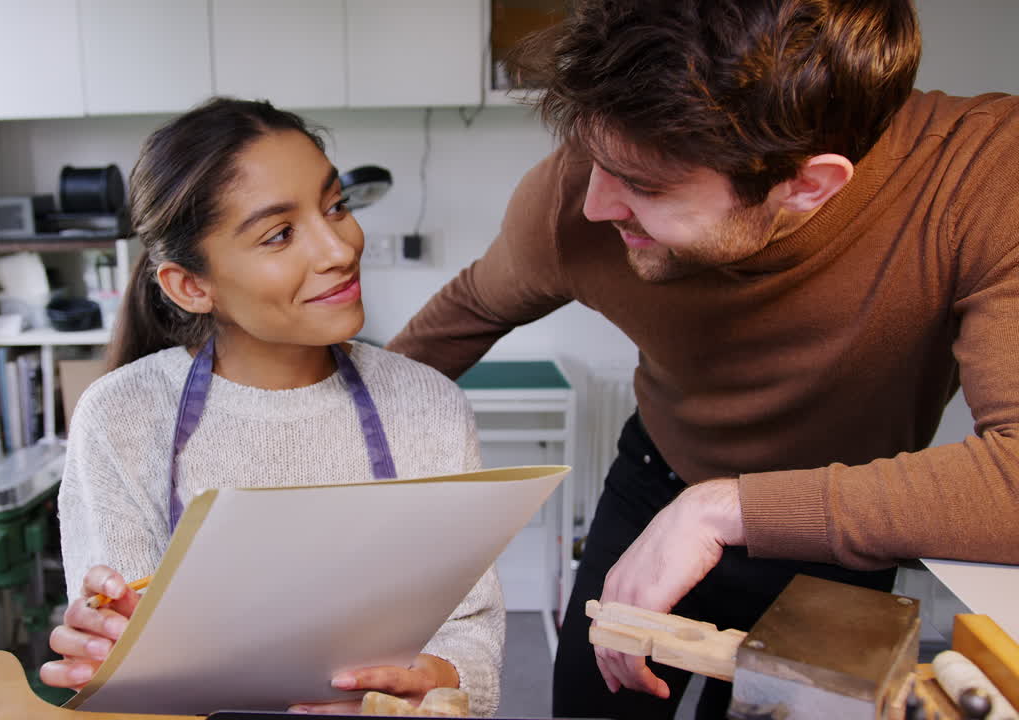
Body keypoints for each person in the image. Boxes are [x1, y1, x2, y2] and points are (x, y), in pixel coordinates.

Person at [386, 0, 1019, 718]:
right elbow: (462, 315)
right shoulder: (571, 202)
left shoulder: (984, 175)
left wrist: (725, 508)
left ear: (808, 185)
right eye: (593, 158)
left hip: (840, 535)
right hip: (654, 486)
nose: (595, 205)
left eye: (646, 185)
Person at [40, 98, 504, 716]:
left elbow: (470, 628)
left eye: (335, 206)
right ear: (191, 285)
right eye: (280, 234)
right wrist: (112, 661)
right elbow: (129, 671)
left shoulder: (429, 406)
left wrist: (432, 683)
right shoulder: (120, 419)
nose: (339, 248)